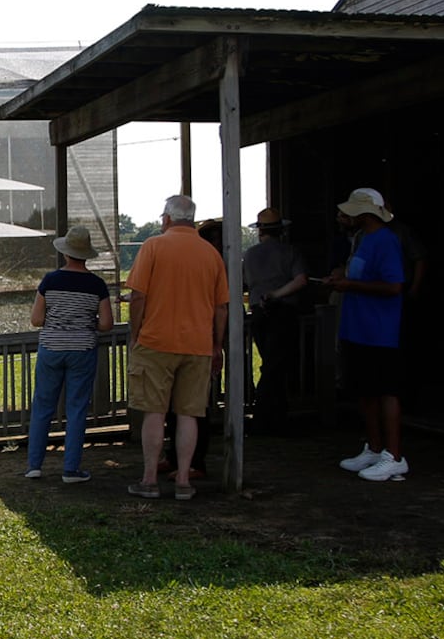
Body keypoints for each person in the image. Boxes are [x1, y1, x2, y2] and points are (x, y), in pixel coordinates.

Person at [124, 194, 229, 501]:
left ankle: (149, 480)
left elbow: (139, 296)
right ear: (192, 220)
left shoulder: (154, 247)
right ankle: (184, 480)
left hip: (156, 341)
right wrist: (216, 345)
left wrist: (136, 332)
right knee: (188, 414)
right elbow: (221, 307)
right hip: (197, 345)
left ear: (167, 218)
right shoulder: (210, 254)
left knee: (154, 412)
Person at [322, 188, 410, 482]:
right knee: (364, 390)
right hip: (357, 328)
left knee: (386, 390)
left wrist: (350, 286)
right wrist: (341, 281)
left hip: (380, 331)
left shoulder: (385, 241)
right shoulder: (362, 240)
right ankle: (374, 447)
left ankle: (394, 456)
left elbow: (394, 286)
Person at [24, 226, 115, 484]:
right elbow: (107, 323)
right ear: (86, 255)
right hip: (82, 350)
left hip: (51, 348)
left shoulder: (50, 281)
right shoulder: (97, 285)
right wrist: (86, 324)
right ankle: (71, 469)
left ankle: (34, 465)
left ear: (66, 253)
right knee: (76, 409)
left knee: (43, 407)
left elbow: (36, 319)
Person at [245, 207, 308, 431]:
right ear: (280, 230)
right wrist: (276, 294)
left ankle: (273, 417)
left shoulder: (250, 255)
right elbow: (301, 280)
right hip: (284, 312)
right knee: (276, 366)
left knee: (271, 363)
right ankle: (267, 417)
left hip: (259, 314)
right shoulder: (290, 252)